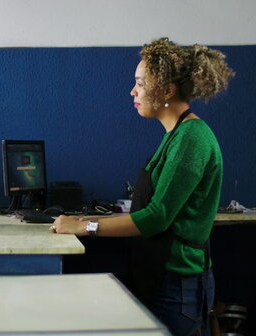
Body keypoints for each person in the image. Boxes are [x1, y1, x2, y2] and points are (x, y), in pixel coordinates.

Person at [52, 38, 234, 336]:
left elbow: (157, 216)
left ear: (166, 90)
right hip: (160, 277)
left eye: (140, 83)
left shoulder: (192, 138)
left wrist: (86, 226)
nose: (133, 91)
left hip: (177, 286)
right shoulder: (176, 135)